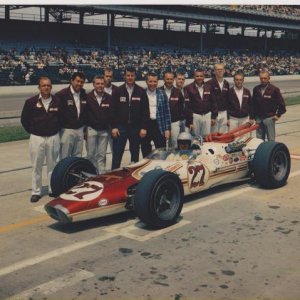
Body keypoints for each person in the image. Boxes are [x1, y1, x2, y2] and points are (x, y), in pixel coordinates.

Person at [21, 77, 60, 202]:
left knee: (52, 165)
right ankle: (36, 191)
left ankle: (52, 189)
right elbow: (24, 120)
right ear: (39, 87)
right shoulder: (31, 102)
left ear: (51, 87)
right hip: (37, 138)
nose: (46, 87)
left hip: (53, 137)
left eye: (48, 85)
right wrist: (33, 131)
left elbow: (62, 119)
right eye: (43, 85)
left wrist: (55, 130)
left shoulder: (58, 101)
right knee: (36, 166)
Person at [111, 66, 150, 169]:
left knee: (135, 155)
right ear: (124, 76)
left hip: (135, 128)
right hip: (121, 128)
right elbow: (113, 110)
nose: (130, 77)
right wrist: (114, 127)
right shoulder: (118, 91)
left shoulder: (141, 91)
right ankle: (114, 174)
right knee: (117, 155)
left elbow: (145, 111)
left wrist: (144, 127)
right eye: (128, 75)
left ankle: (133, 176)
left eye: (132, 75)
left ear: (135, 76)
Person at [55, 72, 87, 158]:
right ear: (72, 81)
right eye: (78, 81)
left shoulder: (84, 94)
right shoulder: (61, 94)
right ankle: (64, 172)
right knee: (64, 156)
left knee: (77, 157)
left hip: (80, 130)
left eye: (82, 82)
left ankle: (75, 171)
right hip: (67, 130)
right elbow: (56, 114)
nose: (79, 84)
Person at [86, 75, 113, 174]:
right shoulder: (88, 97)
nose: (100, 85)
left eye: (102, 83)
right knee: (91, 155)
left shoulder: (109, 97)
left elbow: (112, 114)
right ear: (93, 84)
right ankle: (91, 174)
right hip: (91, 129)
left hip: (104, 131)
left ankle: (101, 175)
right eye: (98, 83)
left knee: (102, 155)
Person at [141, 72, 171, 157]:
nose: (153, 84)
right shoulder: (142, 93)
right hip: (146, 125)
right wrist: (141, 127)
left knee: (161, 151)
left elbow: (167, 112)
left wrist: (167, 129)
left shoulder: (162, 93)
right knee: (146, 151)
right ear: (146, 82)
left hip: (159, 125)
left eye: (155, 81)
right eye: (150, 81)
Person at [252, 70, 286, 141]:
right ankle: (261, 152)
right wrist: (253, 117)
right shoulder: (256, 89)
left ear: (269, 78)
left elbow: (282, 104)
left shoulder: (274, 89)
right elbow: (253, 104)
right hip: (258, 119)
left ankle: (271, 152)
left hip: (269, 118)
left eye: (265, 78)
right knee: (259, 140)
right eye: (261, 78)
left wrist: (278, 115)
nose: (263, 80)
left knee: (271, 139)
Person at [184, 68, 218, 137]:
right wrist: (190, 121)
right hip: (195, 116)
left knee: (206, 137)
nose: (199, 78)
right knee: (195, 138)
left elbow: (214, 102)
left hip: (207, 115)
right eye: (197, 76)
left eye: (201, 76)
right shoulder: (188, 88)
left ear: (204, 77)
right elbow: (188, 106)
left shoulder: (209, 87)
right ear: (194, 77)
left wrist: (213, 117)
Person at [159, 71, 187, 148]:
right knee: (162, 144)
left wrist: (179, 120)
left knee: (175, 144)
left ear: (173, 79)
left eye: (171, 79)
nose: (169, 81)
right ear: (163, 79)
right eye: (167, 79)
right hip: (162, 124)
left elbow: (181, 107)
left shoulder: (177, 92)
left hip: (174, 123)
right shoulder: (158, 91)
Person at [208, 63, 230, 133]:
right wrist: (212, 116)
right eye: (218, 69)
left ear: (224, 71)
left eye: (221, 69)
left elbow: (228, 100)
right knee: (213, 135)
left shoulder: (226, 83)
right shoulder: (209, 83)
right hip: (214, 114)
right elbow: (208, 100)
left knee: (223, 135)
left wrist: (228, 117)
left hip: (224, 113)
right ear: (214, 71)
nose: (220, 71)